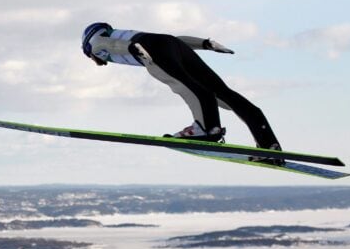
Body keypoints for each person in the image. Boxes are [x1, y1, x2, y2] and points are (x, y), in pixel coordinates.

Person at [81, 22, 282, 161]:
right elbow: (176, 40)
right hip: (173, 44)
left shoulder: (93, 44)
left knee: (185, 86)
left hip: (148, 49)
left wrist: (133, 48)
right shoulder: (120, 32)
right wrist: (205, 43)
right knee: (223, 93)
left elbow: (109, 45)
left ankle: (205, 130)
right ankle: (269, 144)